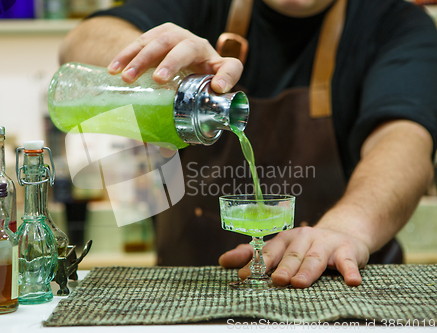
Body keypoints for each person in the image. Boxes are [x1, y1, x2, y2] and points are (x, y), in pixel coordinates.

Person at [59, 0, 437, 288]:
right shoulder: (203, 6)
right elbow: (81, 42)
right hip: (191, 294)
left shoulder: (395, 22)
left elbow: (404, 141)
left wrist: (347, 230)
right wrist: (159, 66)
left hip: (337, 288)